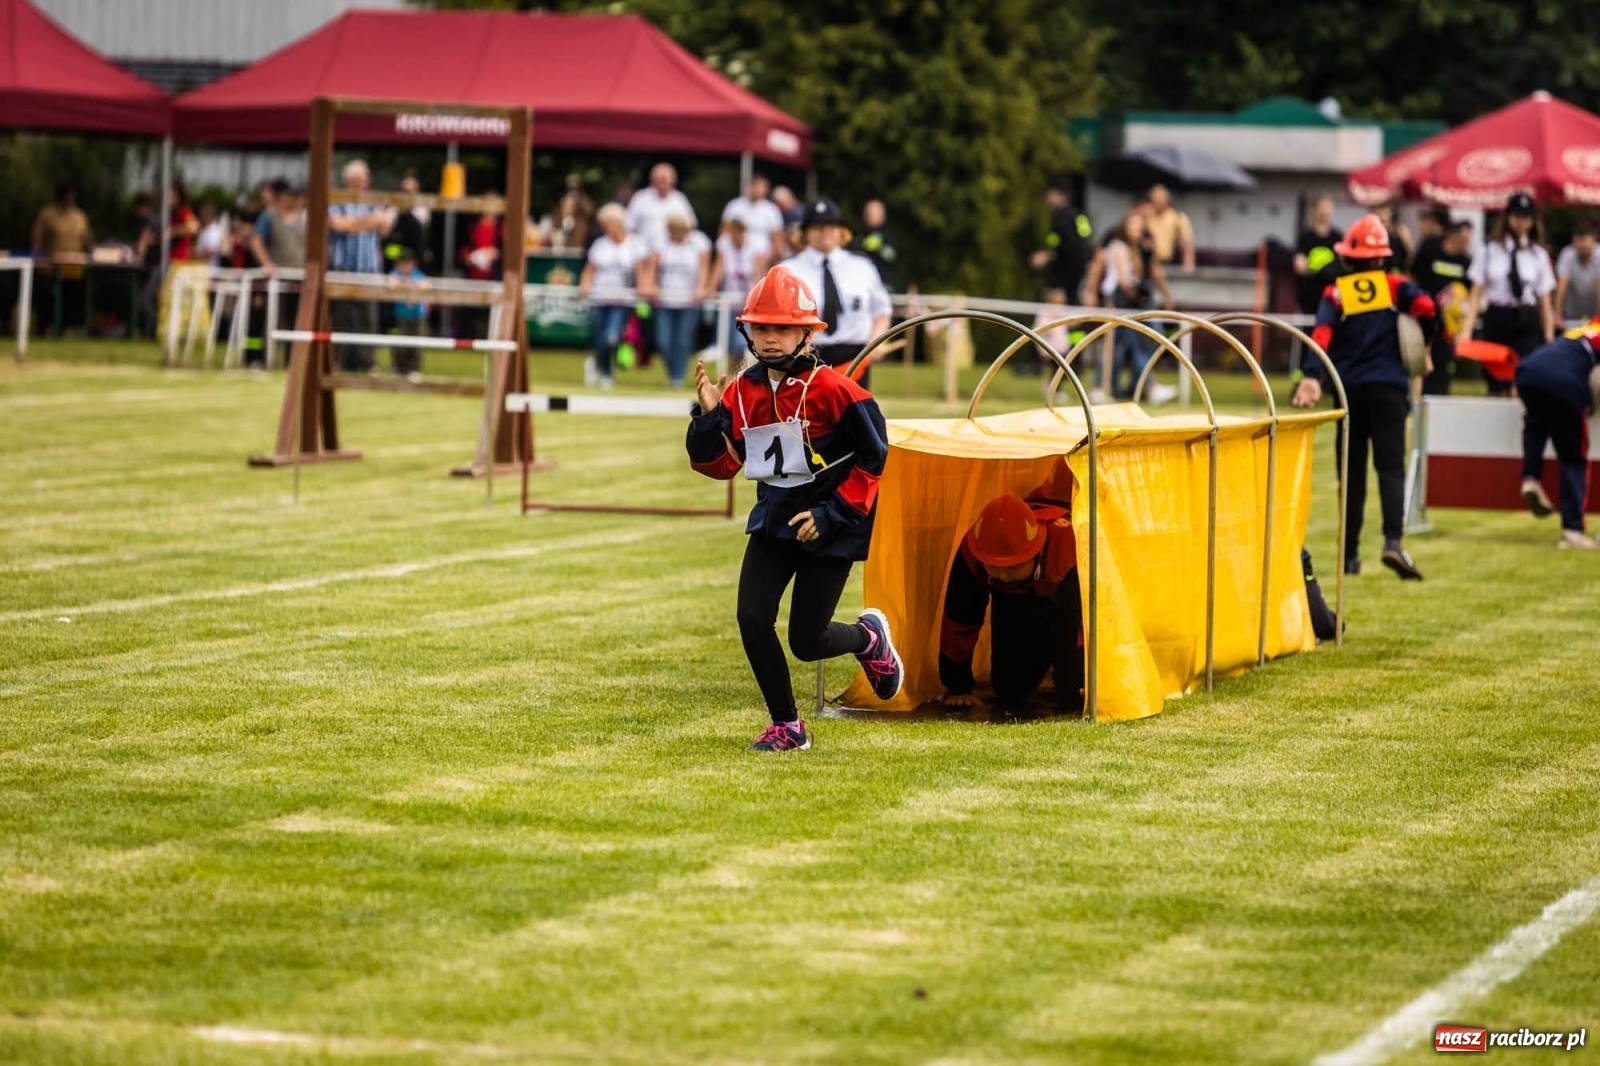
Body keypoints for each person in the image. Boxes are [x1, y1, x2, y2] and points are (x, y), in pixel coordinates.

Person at [686, 265, 903, 751]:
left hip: (833, 526)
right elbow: (721, 465)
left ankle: (868, 639)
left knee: (807, 642)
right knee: (751, 617)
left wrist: (829, 516)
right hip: (776, 522)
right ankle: (787, 725)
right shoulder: (741, 391)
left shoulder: (837, 389)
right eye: (760, 327)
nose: (769, 338)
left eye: (781, 328)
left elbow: (876, 457)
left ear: (806, 332)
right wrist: (707, 417)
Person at [1292, 213, 1437, 580]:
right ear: (1383, 258)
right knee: (1390, 469)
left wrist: (1312, 378)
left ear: (1347, 260)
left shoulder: (1336, 293)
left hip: (1348, 391)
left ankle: (1350, 557)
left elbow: (1322, 335)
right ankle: (1392, 542)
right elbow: (1428, 309)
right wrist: (1426, 342)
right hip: (1389, 389)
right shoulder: (1396, 287)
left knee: (1351, 475)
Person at [939, 487, 1084, 716]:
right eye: (993, 566)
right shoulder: (972, 549)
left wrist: (1086, 675)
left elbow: (1084, 621)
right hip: (1014, 606)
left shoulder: (1067, 545)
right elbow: (960, 619)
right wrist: (958, 685)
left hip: (1066, 610)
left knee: (1074, 691)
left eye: (1013, 566)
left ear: (1035, 552)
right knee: (1009, 690)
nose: (1004, 575)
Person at [785, 198, 892, 386]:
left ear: (841, 231)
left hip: (855, 359)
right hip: (804, 359)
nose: (825, 230)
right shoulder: (787, 270)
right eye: (817, 226)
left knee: (855, 415)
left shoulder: (863, 267)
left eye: (831, 225)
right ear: (804, 232)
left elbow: (882, 310)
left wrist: (876, 342)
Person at [1458, 192, 1556, 396]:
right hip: (1498, 316)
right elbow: (1476, 293)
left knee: (1524, 377)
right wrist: (1466, 330)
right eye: (1517, 216)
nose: (1521, 222)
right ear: (1508, 217)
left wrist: (1549, 337)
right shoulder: (1488, 250)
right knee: (1497, 381)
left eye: (1526, 217)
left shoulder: (1538, 255)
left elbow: (1545, 301)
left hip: (1526, 318)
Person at [1514, 325, 1599, 548]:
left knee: (1536, 422)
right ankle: (1572, 531)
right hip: (1565, 382)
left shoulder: (1583, 330)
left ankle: (1530, 478)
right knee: (1574, 457)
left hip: (1528, 370)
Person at [327, 159, 394, 373]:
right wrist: (369, 221)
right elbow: (338, 225)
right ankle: (334, 361)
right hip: (343, 267)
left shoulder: (372, 201)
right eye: (362, 178)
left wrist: (356, 224)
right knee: (339, 317)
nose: (366, 182)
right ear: (351, 180)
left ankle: (368, 362)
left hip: (368, 269)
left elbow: (384, 227)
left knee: (368, 318)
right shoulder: (336, 200)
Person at [1101, 210, 1174, 401]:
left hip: (1134, 302)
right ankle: (1145, 387)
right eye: (1133, 225)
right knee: (1122, 347)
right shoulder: (1118, 247)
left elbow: (1152, 272)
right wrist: (1139, 297)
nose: (1137, 230)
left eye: (1139, 227)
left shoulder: (1140, 249)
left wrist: (1148, 254)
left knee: (1131, 346)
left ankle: (1129, 387)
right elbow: (1124, 280)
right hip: (1122, 303)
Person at [578, 202, 648, 389]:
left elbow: (640, 270)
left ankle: (605, 371)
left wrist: (642, 287)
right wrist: (585, 284)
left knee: (612, 337)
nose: (604, 226)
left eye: (607, 222)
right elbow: (590, 270)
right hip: (599, 298)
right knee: (600, 336)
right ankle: (600, 368)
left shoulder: (634, 244)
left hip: (621, 300)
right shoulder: (600, 244)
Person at [639, 211, 711, 389]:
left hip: (688, 302)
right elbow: (653, 267)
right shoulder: (660, 244)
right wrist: (652, 285)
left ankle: (677, 376)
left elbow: (703, 269)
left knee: (682, 340)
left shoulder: (698, 244)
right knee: (664, 340)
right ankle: (672, 371)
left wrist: (700, 288)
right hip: (665, 300)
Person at [1410, 217, 1474, 395]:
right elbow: (1413, 274)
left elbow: (1469, 292)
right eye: (1465, 239)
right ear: (1454, 235)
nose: (1467, 244)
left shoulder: (1465, 261)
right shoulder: (1431, 247)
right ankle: (1417, 397)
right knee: (1421, 359)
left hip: (1448, 322)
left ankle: (1439, 396)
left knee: (1443, 361)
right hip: (1424, 314)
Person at [31, 182, 93, 334]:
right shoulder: (47, 215)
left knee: (75, 293)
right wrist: (39, 262)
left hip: (75, 266)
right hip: (52, 265)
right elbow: (37, 241)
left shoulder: (79, 216)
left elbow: (87, 240)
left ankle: (70, 327)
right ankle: (47, 326)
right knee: (49, 294)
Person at [708, 217, 768, 360]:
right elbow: (719, 269)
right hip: (729, 299)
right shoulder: (724, 246)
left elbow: (759, 273)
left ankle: (738, 371)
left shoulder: (756, 247)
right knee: (726, 339)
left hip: (747, 302)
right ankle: (731, 373)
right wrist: (711, 288)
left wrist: (752, 294)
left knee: (740, 341)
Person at [1030, 182, 1093, 303]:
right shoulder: (1079, 215)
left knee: (1057, 308)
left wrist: (1047, 255)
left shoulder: (1063, 218)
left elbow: (1069, 245)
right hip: (1078, 271)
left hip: (1064, 273)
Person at [1294, 193, 1344, 316]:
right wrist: (1321, 267)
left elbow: (1344, 265)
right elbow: (1299, 266)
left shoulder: (1337, 237)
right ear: (1315, 211)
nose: (1325, 211)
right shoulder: (1306, 237)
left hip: (1332, 296)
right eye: (1322, 207)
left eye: (1328, 207)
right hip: (1309, 296)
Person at [626, 163, 696, 249]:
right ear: (652, 180)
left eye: (664, 179)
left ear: (673, 180)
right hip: (644, 251)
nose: (661, 183)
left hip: (671, 252)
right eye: (658, 179)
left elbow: (691, 226)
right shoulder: (640, 198)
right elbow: (629, 226)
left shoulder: (679, 199)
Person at [386, 249, 430, 382]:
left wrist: (409, 285)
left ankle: (415, 369)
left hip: (418, 315)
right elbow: (391, 284)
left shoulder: (417, 274)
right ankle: (399, 368)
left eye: (408, 263)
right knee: (400, 343)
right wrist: (408, 285)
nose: (405, 266)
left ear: (413, 264)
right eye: (402, 263)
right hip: (401, 315)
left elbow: (425, 285)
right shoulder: (395, 274)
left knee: (417, 343)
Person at [721, 174, 784, 263]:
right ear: (749, 186)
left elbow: (777, 238)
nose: (758, 190)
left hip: (762, 256)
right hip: (735, 253)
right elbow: (724, 231)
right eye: (756, 186)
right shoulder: (734, 206)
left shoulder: (771, 210)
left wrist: (770, 259)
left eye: (761, 187)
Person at [1554, 221, 1600, 326]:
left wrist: (1598, 319)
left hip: (1595, 312)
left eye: (1585, 240)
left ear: (1594, 241)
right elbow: (1561, 287)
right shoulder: (1567, 254)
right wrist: (1557, 315)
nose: (1581, 245)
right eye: (1578, 241)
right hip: (1572, 314)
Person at [1142, 183, 1196, 272]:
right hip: (1147, 261)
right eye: (1155, 198)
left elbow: (1187, 244)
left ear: (1168, 199)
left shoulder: (1177, 217)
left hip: (1168, 261)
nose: (1158, 201)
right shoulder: (1145, 215)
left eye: (1161, 198)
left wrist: (1189, 267)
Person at [853, 199, 899, 288]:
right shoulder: (860, 233)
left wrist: (878, 248)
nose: (871, 215)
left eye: (874, 212)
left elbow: (892, 257)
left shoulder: (888, 234)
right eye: (869, 212)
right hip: (861, 282)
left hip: (883, 283)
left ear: (883, 214)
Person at [1371, 202, 1413, 273]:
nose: (1382, 217)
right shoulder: (1371, 234)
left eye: (1384, 213)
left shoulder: (1400, 232)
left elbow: (1408, 256)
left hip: (1397, 273)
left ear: (1391, 214)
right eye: (1379, 213)